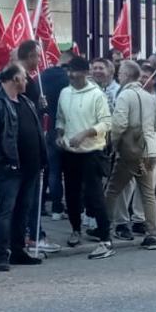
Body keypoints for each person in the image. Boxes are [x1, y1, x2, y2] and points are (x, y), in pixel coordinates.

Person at [0, 63, 46, 271]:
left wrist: (42, 159)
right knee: (6, 211)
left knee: (23, 210)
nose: (27, 81)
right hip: (10, 168)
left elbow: (36, 131)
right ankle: (2, 254)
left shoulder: (26, 101)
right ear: (15, 80)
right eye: (24, 78)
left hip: (30, 167)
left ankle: (18, 251)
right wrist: (1, 162)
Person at [55, 57, 114, 260]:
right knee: (71, 194)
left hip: (92, 152)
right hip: (70, 153)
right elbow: (60, 118)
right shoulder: (65, 93)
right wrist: (59, 135)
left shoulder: (97, 95)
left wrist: (85, 133)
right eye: (69, 71)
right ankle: (75, 229)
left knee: (95, 196)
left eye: (75, 71)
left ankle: (105, 239)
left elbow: (106, 123)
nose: (71, 75)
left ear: (85, 73)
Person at [105, 60, 156, 251]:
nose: (118, 75)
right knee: (148, 193)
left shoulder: (125, 95)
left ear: (126, 75)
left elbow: (120, 124)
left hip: (129, 151)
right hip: (148, 150)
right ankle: (152, 234)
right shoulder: (150, 98)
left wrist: (112, 143)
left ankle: (105, 228)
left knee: (112, 190)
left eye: (120, 72)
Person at [38, 41, 75, 219]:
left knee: (53, 170)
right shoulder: (71, 79)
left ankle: (56, 209)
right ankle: (74, 206)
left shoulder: (44, 75)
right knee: (70, 172)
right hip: (70, 129)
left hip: (51, 126)